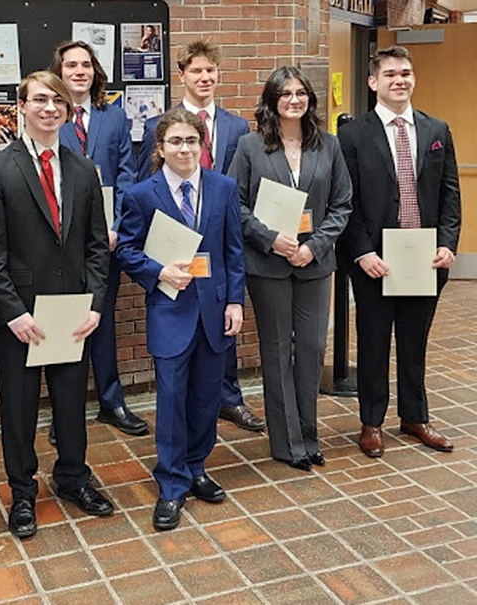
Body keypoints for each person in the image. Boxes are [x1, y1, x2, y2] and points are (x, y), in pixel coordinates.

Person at [0, 72, 113, 539]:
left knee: (72, 404)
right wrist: (12, 310)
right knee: (19, 409)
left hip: (73, 310)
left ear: (67, 109)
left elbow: (96, 245)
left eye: (57, 100)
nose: (49, 107)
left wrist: (95, 303)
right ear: (22, 105)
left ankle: (73, 477)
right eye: (39, 100)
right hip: (22, 316)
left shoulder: (81, 169)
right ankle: (23, 492)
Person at [116, 108, 245, 530]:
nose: (185, 149)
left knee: (208, 399)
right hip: (171, 312)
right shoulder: (142, 195)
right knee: (171, 402)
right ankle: (171, 485)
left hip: (214, 311)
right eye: (176, 141)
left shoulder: (224, 188)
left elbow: (233, 251)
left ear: (202, 145)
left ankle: (196, 467)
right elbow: (126, 250)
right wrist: (158, 273)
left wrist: (235, 303)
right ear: (160, 148)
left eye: (192, 141)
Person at [338, 46, 460, 458]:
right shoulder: (353, 135)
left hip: (424, 258)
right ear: (373, 82)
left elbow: (450, 194)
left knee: (415, 342)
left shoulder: (436, 129)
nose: (399, 80)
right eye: (390, 74)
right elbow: (346, 200)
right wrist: (360, 253)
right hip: (376, 261)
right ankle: (372, 423)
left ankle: (415, 417)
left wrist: (448, 242)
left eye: (405, 73)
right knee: (373, 342)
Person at [137, 39, 265, 433]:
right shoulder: (157, 126)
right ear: (182, 76)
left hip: (217, 241)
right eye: (196, 71)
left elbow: (237, 187)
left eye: (210, 70)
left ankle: (229, 397)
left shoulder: (237, 126)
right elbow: (147, 185)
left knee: (219, 330)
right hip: (175, 254)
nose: (204, 77)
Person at [228, 66, 352, 471]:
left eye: (301, 93)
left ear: (310, 100)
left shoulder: (328, 146)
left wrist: (314, 246)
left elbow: (341, 205)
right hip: (268, 265)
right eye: (285, 94)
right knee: (278, 351)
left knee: (313, 350)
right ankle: (287, 443)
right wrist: (270, 239)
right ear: (272, 101)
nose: (294, 100)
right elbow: (237, 205)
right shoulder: (250, 146)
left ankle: (309, 437)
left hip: (314, 264)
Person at [47, 40, 147, 442]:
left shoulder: (115, 117)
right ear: (60, 70)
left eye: (85, 65)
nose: (79, 72)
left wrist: (118, 226)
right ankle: (63, 410)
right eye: (70, 65)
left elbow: (127, 175)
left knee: (101, 320)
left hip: (107, 239)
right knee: (63, 324)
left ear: (95, 71)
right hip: (61, 239)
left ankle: (112, 400)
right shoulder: (49, 115)